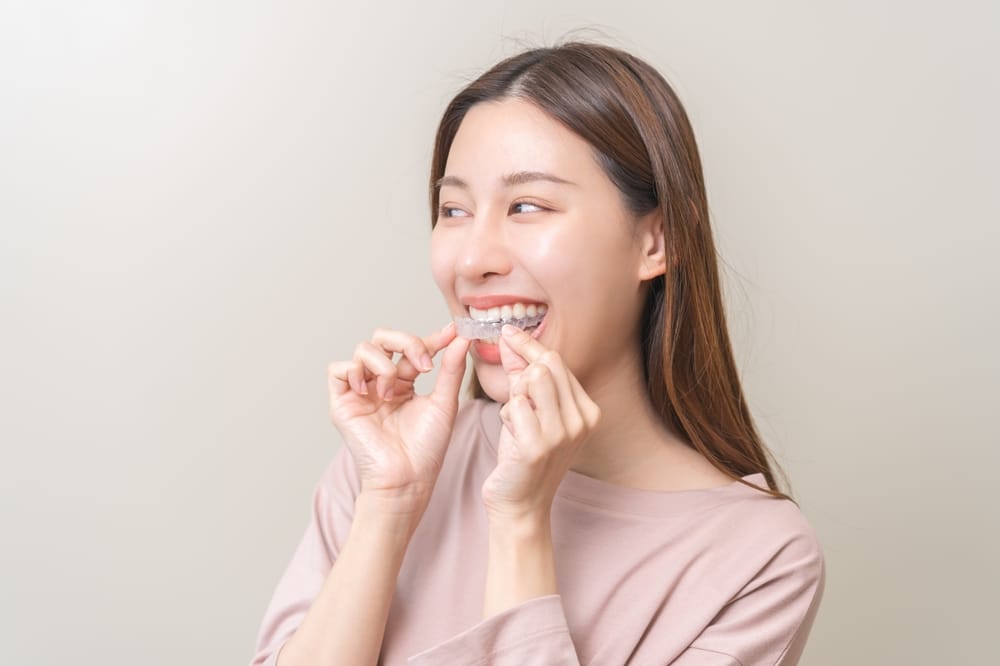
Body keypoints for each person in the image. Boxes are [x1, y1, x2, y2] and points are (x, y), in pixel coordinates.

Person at [250, 40, 825, 666]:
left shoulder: (760, 560)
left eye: (527, 206)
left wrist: (522, 524)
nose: (472, 259)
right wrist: (387, 505)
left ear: (657, 241)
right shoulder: (391, 463)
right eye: (453, 209)